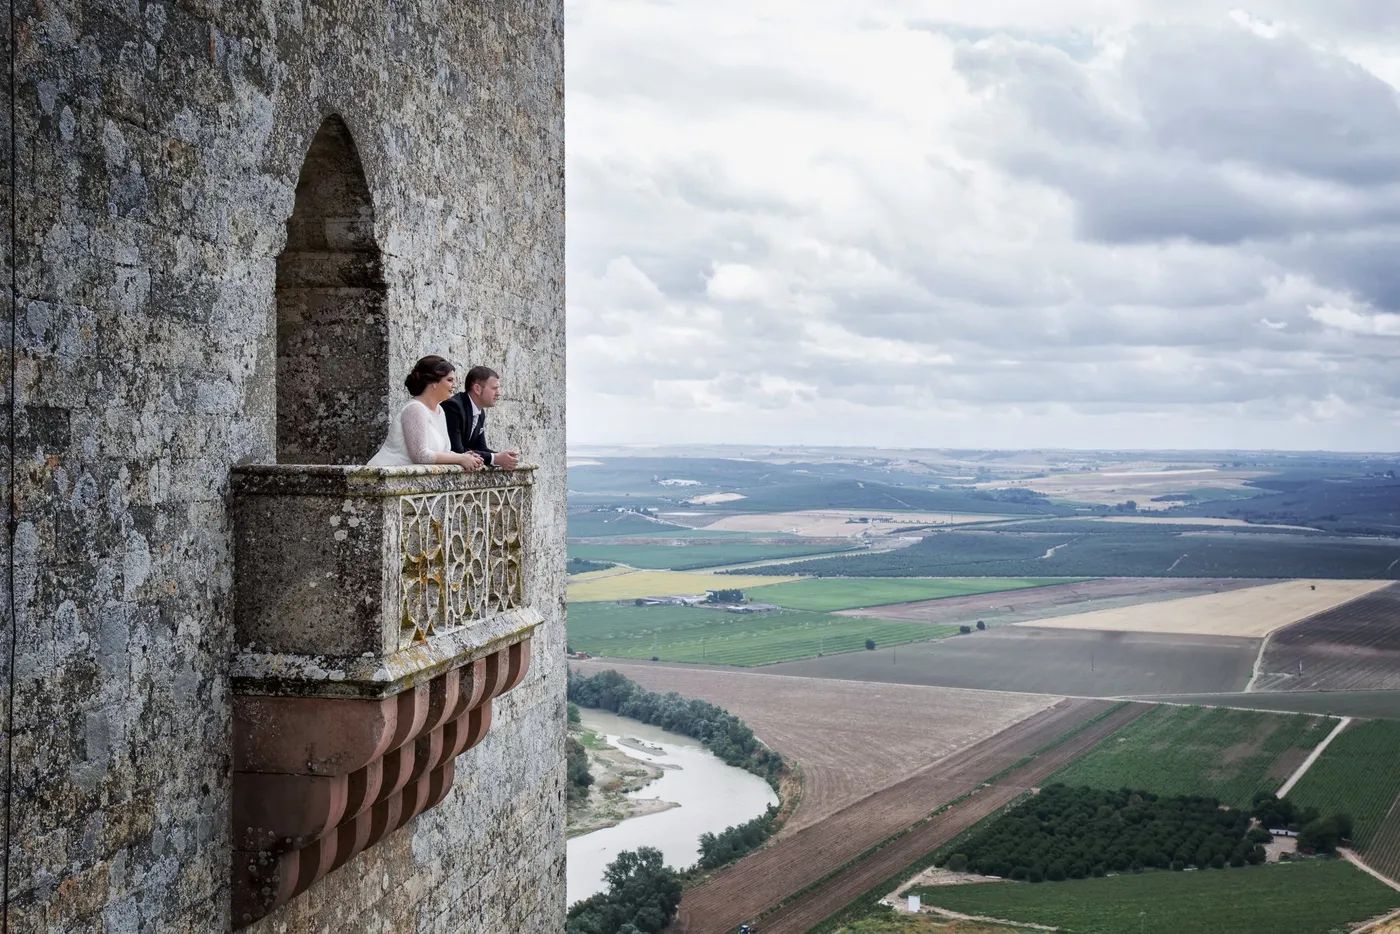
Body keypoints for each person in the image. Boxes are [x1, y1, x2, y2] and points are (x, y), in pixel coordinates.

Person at [368, 355, 485, 470]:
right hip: (384, 478)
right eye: (449, 380)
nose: (454, 385)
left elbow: (442, 452)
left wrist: (465, 456)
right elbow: (420, 455)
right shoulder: (415, 409)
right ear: (433, 382)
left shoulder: (440, 410)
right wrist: (460, 459)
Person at [443, 365, 521, 470]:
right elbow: (457, 451)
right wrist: (495, 458)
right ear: (477, 389)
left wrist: (504, 457)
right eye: (494, 388)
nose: (499, 393)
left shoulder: (480, 412)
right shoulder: (453, 406)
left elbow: (480, 447)